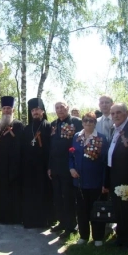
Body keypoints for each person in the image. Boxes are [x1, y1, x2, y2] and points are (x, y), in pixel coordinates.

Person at [103, 103, 128, 249]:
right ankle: (121, 237)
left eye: (118, 112)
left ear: (126, 113)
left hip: (127, 177)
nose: (115, 116)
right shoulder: (114, 129)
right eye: (112, 114)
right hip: (115, 176)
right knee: (118, 209)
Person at [69, 112, 108, 246]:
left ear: (95, 123)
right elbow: (71, 154)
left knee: (97, 210)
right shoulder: (76, 137)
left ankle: (98, 237)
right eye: (85, 121)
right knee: (81, 211)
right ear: (82, 122)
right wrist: (71, 168)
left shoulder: (101, 138)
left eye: (91, 121)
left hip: (95, 182)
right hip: (79, 182)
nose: (88, 123)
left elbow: (105, 162)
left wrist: (104, 182)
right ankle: (84, 236)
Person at [48, 101, 82, 239]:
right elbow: (51, 147)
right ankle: (62, 222)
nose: (60, 110)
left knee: (68, 197)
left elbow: (79, 145)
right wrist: (49, 166)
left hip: (69, 167)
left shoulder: (76, 122)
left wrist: (74, 166)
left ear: (67, 108)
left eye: (62, 107)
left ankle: (71, 226)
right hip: (55, 167)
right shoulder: (53, 124)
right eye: (57, 108)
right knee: (58, 197)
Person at [22, 98, 54, 228]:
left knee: (44, 192)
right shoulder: (27, 128)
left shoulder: (48, 126)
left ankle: (45, 220)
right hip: (29, 168)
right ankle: (31, 219)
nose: (35, 112)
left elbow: (52, 148)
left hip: (44, 167)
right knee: (30, 193)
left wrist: (49, 166)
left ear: (42, 111)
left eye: (37, 110)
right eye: (33, 110)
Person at [0, 96, 24, 224]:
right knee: (0, 190)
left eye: (9, 108)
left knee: (12, 191)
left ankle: (12, 217)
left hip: (13, 164)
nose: (6, 111)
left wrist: (16, 165)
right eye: (4, 108)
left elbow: (20, 145)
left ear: (13, 110)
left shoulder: (18, 125)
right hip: (0, 165)